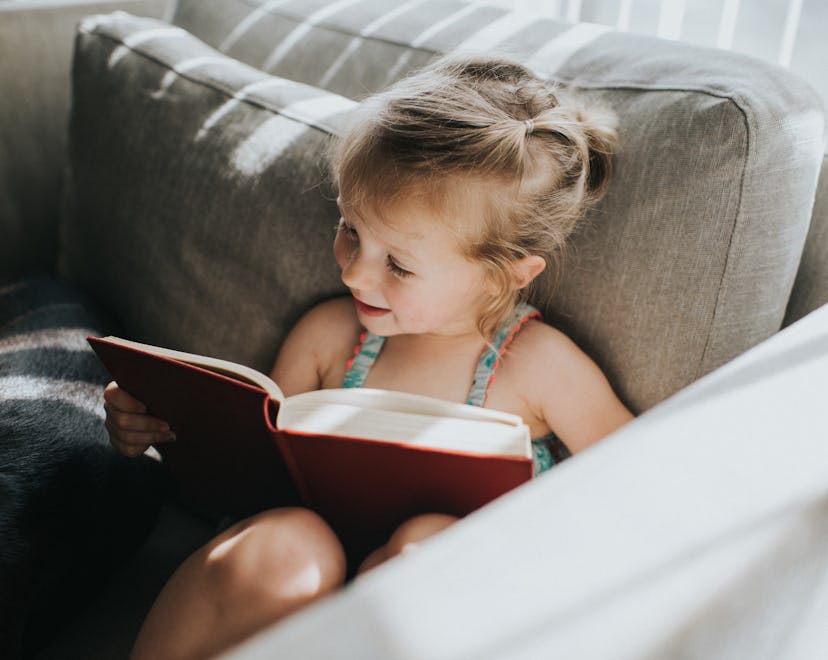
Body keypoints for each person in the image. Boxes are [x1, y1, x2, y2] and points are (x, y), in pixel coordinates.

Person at [104, 54, 634, 659]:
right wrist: (156, 427)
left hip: (422, 621)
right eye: (350, 228)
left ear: (502, 277)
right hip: (284, 597)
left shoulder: (540, 365)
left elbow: (642, 483)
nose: (355, 272)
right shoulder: (329, 336)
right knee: (290, 542)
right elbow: (250, 466)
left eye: (399, 264)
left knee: (428, 545)